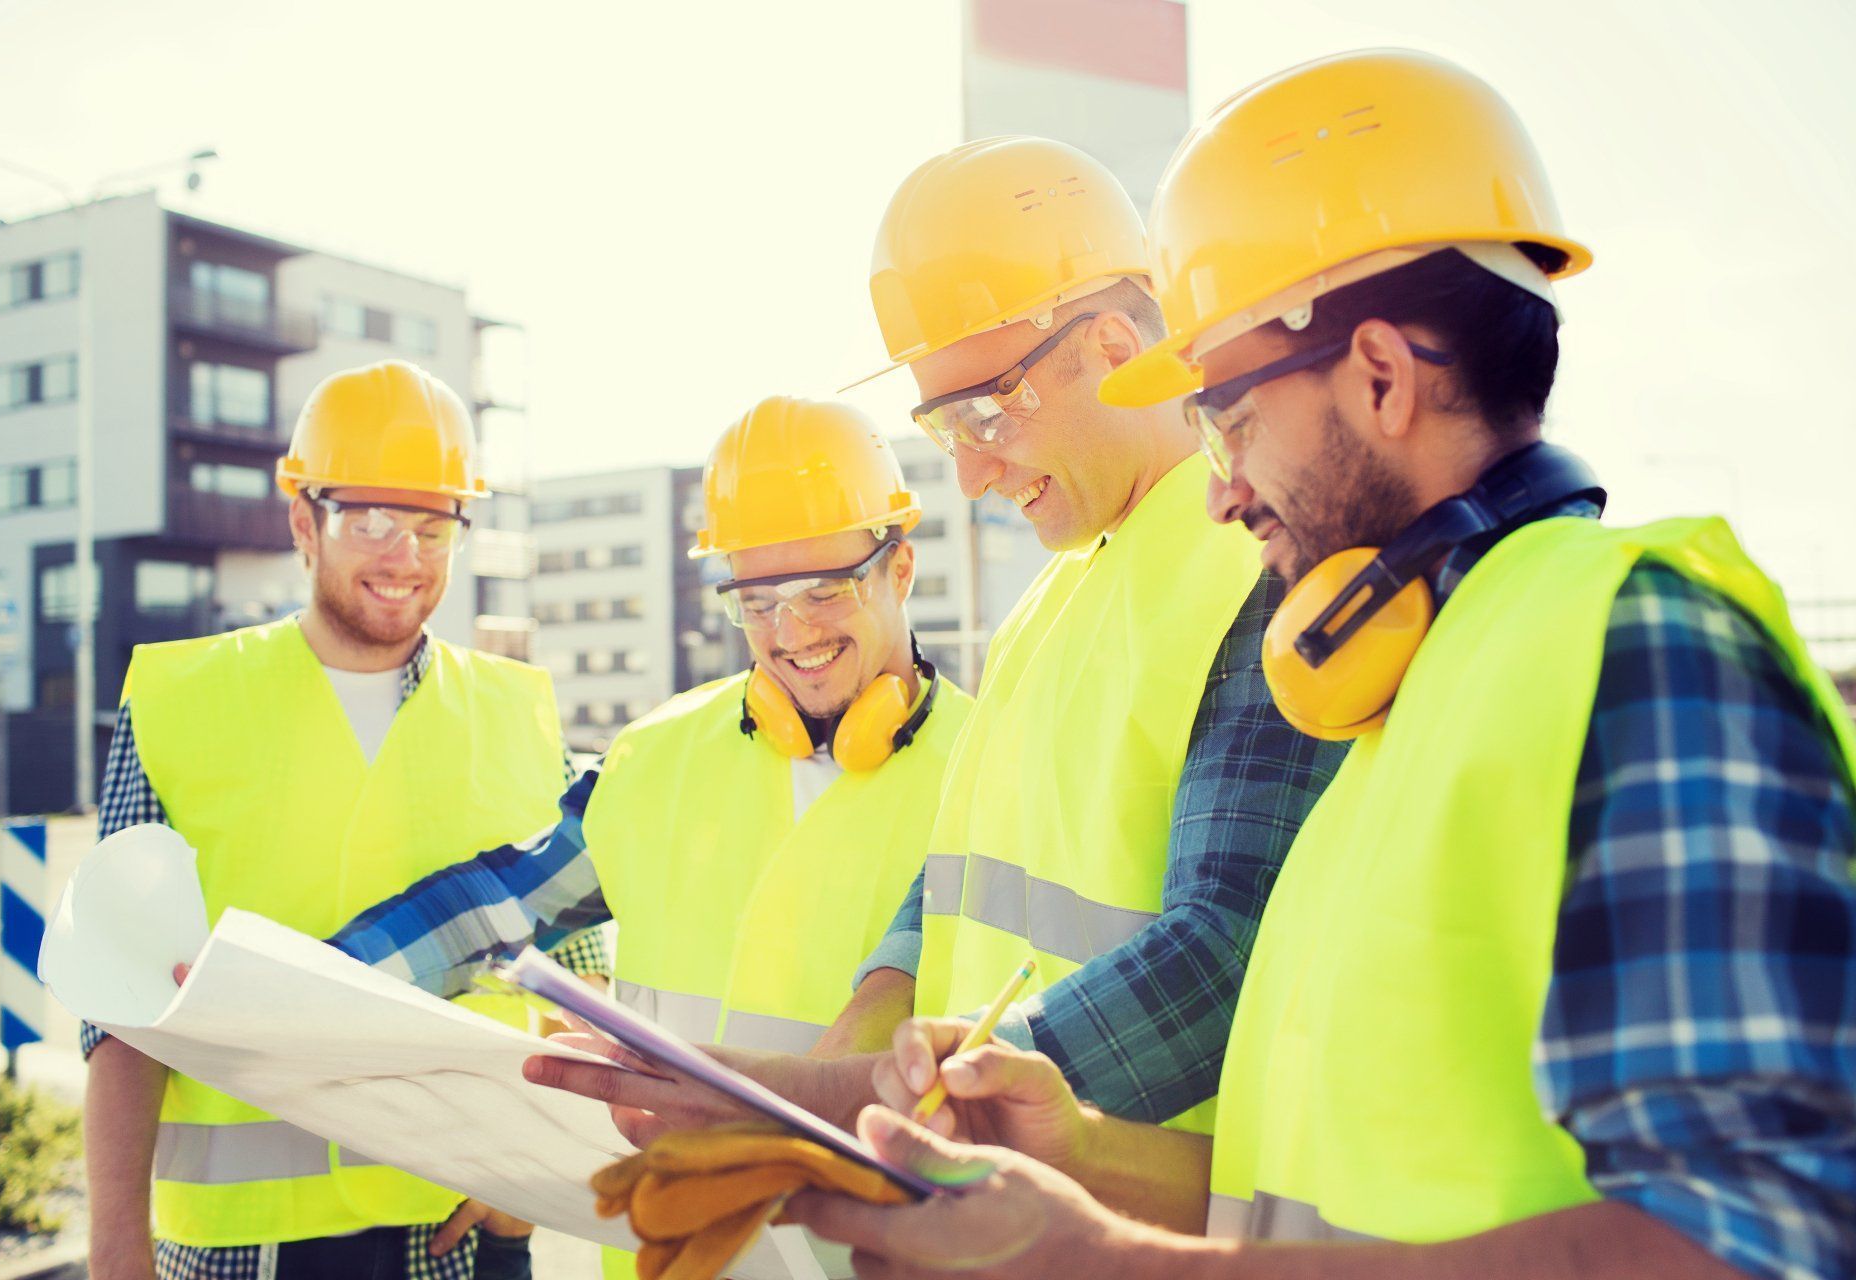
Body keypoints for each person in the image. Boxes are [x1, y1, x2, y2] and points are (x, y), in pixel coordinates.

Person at [782, 49, 1856, 1280]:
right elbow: (1310, 1196)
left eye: (1230, 420)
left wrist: (1116, 1263)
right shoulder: (1405, 694)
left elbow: (1776, 1238)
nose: (1223, 489)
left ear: (1385, 376)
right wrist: (1074, 1150)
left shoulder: (1638, 648)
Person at [521, 136, 1345, 1152]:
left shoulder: (1255, 577)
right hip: (985, 1200)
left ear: (1118, 351)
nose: (973, 474)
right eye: (944, 428)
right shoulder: (1055, 598)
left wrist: (871, 1100)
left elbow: (1223, 961)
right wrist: (851, 1052)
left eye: (986, 413)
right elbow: (957, 878)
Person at [322, 397, 974, 1278]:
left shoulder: (983, 770)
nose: (793, 633)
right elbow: (495, 907)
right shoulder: (660, 755)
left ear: (899, 569)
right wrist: (299, 986)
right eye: (757, 601)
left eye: (826, 590)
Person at [83, 360, 602, 1280]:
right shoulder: (178, 701)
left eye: (432, 524)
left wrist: (530, 1171)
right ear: (302, 522)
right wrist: (116, 1250)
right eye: (370, 519)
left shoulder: (517, 708)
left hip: (462, 1232)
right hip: (240, 1250)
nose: (404, 556)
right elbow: (118, 1008)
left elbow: (581, 984)